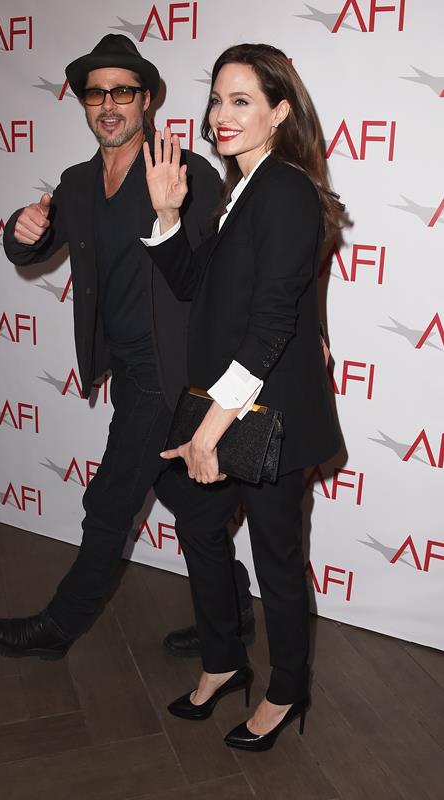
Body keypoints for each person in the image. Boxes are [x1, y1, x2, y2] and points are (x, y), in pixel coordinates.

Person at [0, 34, 255, 663]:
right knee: (189, 503)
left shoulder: (184, 170)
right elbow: (33, 247)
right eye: (96, 93)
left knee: (108, 501)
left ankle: (58, 627)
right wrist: (21, 232)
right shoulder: (76, 184)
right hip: (126, 367)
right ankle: (232, 616)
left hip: (171, 370)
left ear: (147, 99)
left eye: (122, 91)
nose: (108, 105)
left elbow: (224, 269)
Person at [142, 43, 343, 751]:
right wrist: (167, 216)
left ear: (280, 112)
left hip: (268, 417)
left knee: (276, 558)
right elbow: (195, 285)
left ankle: (286, 690)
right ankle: (224, 660)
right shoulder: (243, 190)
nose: (220, 115)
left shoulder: (283, 189)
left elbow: (271, 324)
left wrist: (209, 433)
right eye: (216, 100)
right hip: (232, 402)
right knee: (197, 521)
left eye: (241, 101)